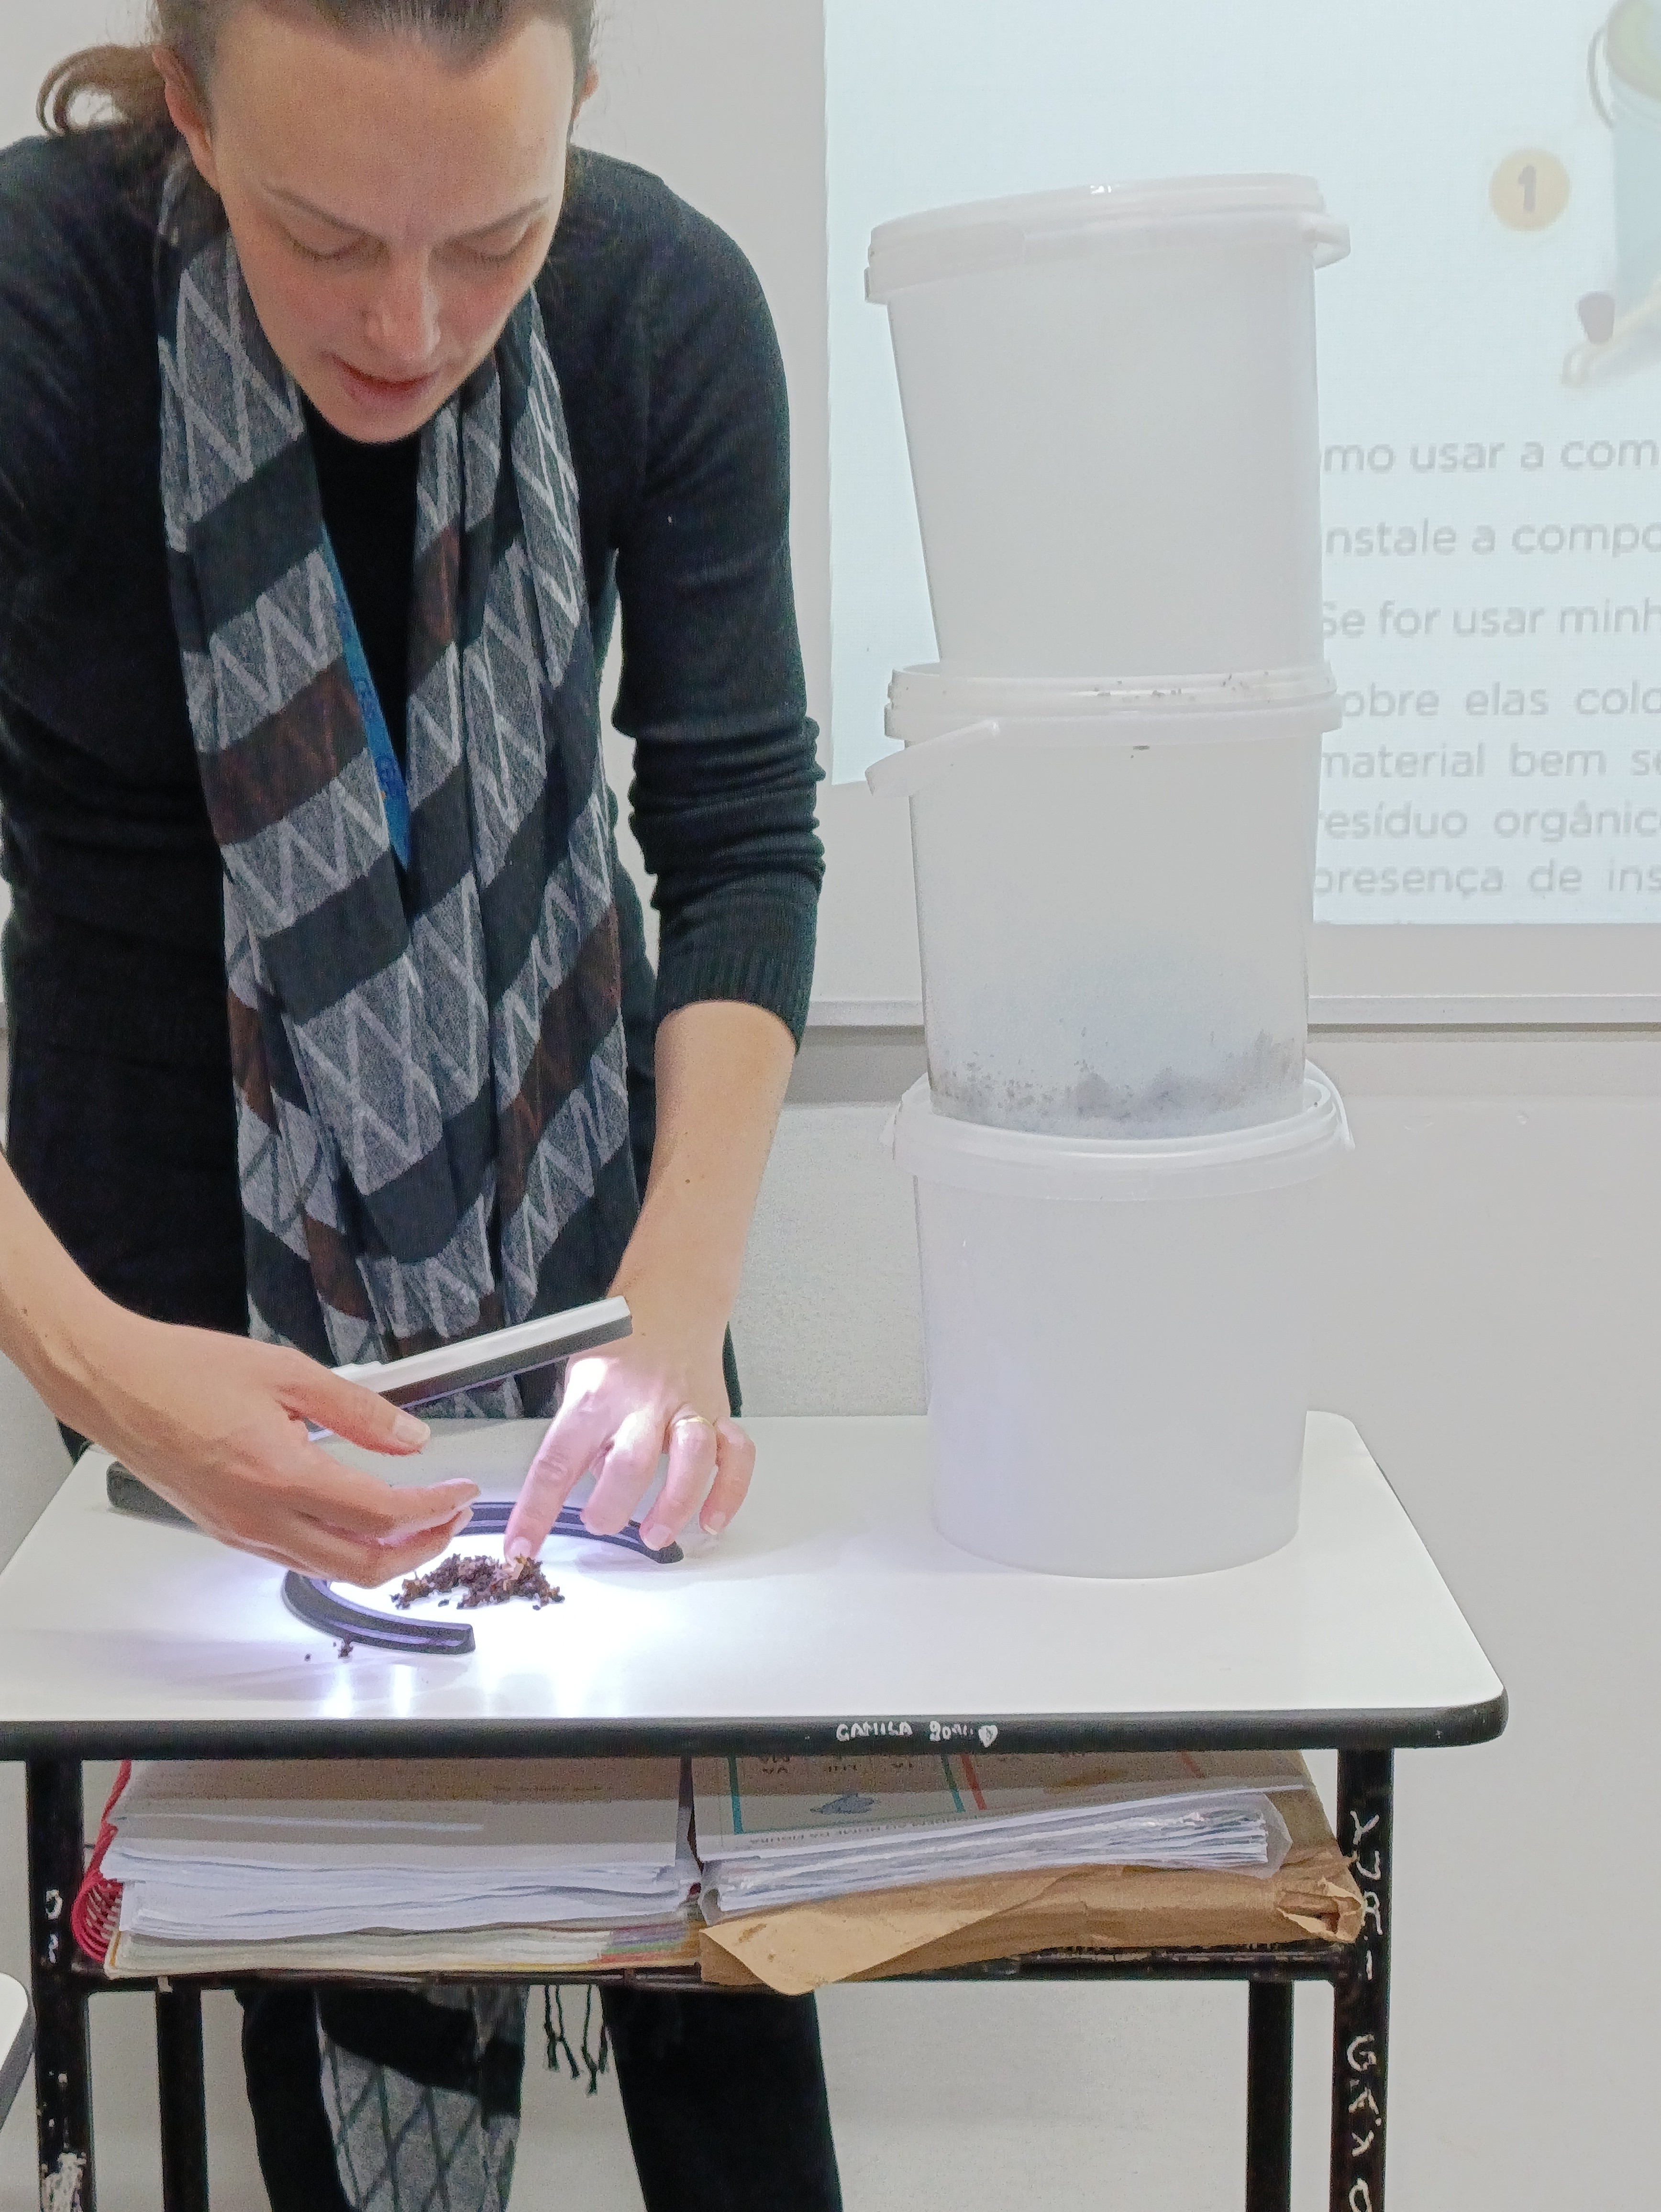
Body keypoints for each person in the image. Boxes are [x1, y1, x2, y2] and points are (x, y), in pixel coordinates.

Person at [0, 0, 837, 2205]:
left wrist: (673, 1304)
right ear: (193, 110)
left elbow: (740, 838)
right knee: (320, 1942)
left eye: (490, 237)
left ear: (578, 117)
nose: (409, 325)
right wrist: (106, 1370)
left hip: (595, 1248)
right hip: (161, 1287)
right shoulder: (36, 314)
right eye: (323, 236)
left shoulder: (656, 309)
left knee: (719, 1953)